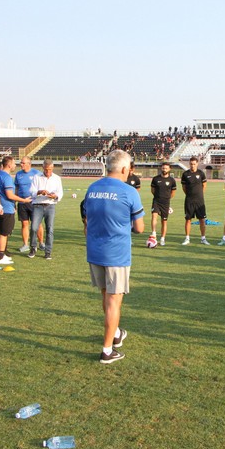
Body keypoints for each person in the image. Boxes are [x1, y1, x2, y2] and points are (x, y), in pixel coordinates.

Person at [84, 150, 145, 364]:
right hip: (116, 252)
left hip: (94, 250)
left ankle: (116, 333)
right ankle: (107, 350)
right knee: (114, 301)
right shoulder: (129, 192)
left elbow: (87, 219)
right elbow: (139, 228)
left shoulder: (92, 189)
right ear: (124, 169)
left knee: (106, 295)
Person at [0, 156, 32, 264]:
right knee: (4, 233)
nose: (16, 165)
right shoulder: (6, 177)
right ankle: (1, 256)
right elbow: (10, 195)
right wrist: (23, 200)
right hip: (6, 208)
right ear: (9, 164)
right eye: (14, 163)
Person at [29, 159, 63, 259]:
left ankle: (48, 251)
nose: (48, 172)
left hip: (50, 205)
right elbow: (32, 191)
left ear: (53, 168)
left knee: (50, 229)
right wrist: (39, 192)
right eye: (46, 169)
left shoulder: (57, 178)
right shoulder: (37, 177)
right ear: (43, 168)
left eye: (50, 169)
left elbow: (60, 192)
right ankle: (33, 247)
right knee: (34, 228)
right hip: (38, 205)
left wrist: (55, 196)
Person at [14, 156, 44, 253]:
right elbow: (16, 189)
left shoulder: (37, 173)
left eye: (23, 163)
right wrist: (15, 201)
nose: (21, 164)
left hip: (34, 202)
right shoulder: (18, 174)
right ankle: (25, 244)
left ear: (29, 164)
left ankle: (41, 243)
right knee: (24, 224)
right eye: (21, 163)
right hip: (22, 202)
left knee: (38, 224)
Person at [181, 157, 209, 245]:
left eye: (194, 164)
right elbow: (184, 188)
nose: (192, 166)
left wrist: (199, 195)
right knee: (188, 219)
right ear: (189, 164)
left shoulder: (201, 173)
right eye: (191, 164)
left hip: (200, 201)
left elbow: (204, 186)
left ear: (197, 164)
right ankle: (187, 238)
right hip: (189, 200)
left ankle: (203, 238)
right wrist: (190, 195)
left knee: (202, 220)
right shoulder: (185, 174)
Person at [150, 162, 176, 246]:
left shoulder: (172, 180)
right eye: (163, 168)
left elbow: (173, 192)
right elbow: (152, 190)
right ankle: (154, 233)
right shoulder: (155, 179)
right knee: (154, 216)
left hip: (166, 203)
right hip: (156, 201)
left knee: (164, 221)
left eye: (166, 168)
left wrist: (166, 198)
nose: (164, 169)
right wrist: (158, 197)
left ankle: (162, 239)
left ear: (169, 169)